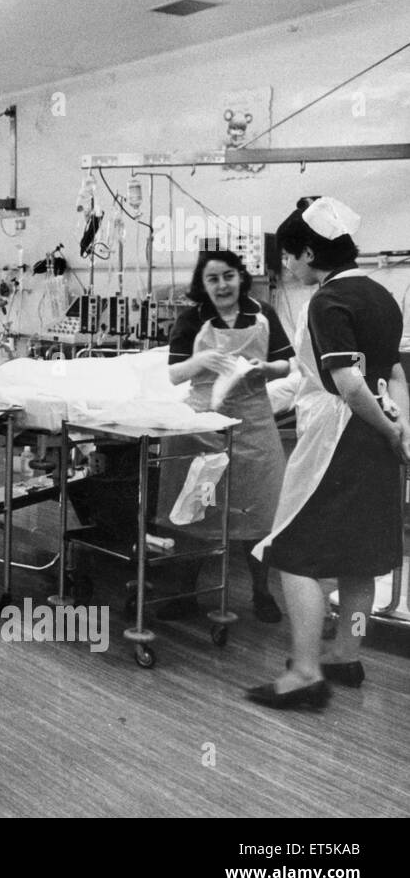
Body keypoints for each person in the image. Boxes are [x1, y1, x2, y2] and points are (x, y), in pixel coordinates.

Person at [247, 196, 410, 710]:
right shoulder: (384, 296)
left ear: (311, 253)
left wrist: (384, 429)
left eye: (290, 257)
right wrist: (400, 425)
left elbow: (345, 382)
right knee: (360, 559)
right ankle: (344, 653)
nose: (286, 267)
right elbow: (394, 373)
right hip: (377, 431)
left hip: (342, 437)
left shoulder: (326, 302)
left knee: (293, 553)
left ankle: (304, 674)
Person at [155, 249, 293, 623]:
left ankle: (262, 593)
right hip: (202, 425)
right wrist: (200, 362)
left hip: (253, 422)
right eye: (212, 278)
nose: (222, 285)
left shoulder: (262, 314)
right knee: (196, 510)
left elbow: (285, 363)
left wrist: (265, 369)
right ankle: (186, 593)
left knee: (259, 510)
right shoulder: (191, 319)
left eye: (228, 276)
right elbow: (174, 375)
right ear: (203, 285)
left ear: (241, 278)